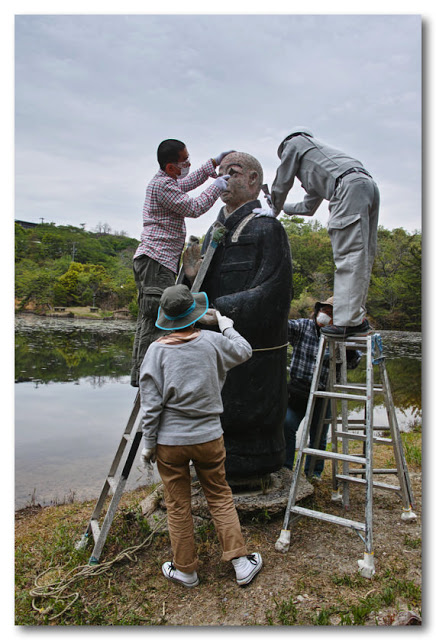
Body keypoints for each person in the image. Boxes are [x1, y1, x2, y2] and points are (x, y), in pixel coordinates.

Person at [139, 284, 263, 588]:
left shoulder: (156, 350)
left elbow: (151, 406)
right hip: (208, 436)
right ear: (194, 314)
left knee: (177, 504)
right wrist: (226, 325)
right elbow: (245, 350)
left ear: (166, 318)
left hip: (170, 442)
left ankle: (186, 571)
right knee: (219, 495)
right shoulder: (213, 341)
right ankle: (240, 563)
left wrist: (148, 444)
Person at [198, 152, 293, 481]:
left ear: (253, 180)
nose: (224, 179)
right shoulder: (213, 232)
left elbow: (274, 291)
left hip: (256, 352)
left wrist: (222, 310)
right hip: (212, 346)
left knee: (249, 418)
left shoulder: (268, 229)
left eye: (233, 172)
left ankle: (255, 465)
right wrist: (188, 281)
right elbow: (199, 289)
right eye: (221, 173)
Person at [130, 140, 234, 386]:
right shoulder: (161, 186)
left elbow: (187, 184)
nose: (188, 164)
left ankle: (144, 373)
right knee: (156, 317)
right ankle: (146, 376)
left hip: (159, 260)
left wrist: (213, 164)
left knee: (153, 315)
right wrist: (216, 187)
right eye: (184, 161)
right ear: (170, 167)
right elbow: (194, 207)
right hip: (155, 260)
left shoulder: (169, 181)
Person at [270, 128, 380, 339]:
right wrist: (282, 207)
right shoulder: (323, 163)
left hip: (348, 188)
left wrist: (273, 208)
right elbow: (308, 207)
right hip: (366, 185)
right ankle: (356, 318)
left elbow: (282, 179)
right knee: (362, 257)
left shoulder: (295, 142)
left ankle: (347, 323)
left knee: (349, 256)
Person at [285, 297, 361, 478]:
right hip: (298, 390)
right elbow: (282, 327)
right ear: (318, 310)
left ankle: (313, 473)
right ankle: (285, 469)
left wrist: (346, 349)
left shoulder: (342, 337)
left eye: (331, 314)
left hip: (324, 393)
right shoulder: (303, 326)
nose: (326, 316)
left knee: (318, 436)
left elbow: (354, 363)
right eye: (324, 311)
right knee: (286, 425)